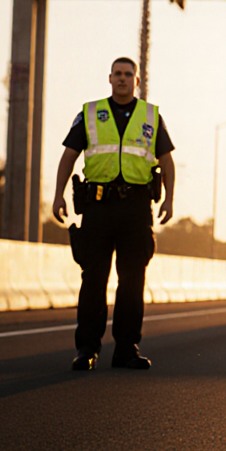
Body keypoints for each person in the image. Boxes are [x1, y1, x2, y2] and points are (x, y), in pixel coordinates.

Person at [52, 57, 175, 371]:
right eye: (118, 74)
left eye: (128, 75)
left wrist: (169, 200)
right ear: (110, 78)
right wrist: (57, 196)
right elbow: (69, 156)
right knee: (93, 280)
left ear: (136, 81)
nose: (122, 79)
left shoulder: (151, 116)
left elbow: (167, 160)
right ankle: (87, 350)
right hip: (98, 208)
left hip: (136, 209)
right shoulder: (90, 114)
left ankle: (126, 350)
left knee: (132, 281)